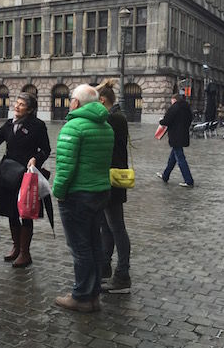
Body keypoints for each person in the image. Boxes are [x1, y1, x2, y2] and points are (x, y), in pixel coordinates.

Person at [52, 84, 114, 313]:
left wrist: (58, 192)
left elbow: (65, 168)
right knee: (94, 244)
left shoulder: (73, 127)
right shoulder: (106, 126)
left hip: (77, 195)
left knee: (80, 247)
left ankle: (81, 296)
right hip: (100, 192)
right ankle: (93, 294)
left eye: (71, 99)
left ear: (76, 103)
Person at [0, 92, 50, 268]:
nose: (17, 106)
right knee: (11, 212)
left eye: (22, 104)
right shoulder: (9, 124)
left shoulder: (38, 125)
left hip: (26, 176)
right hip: (8, 174)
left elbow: (46, 149)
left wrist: (36, 159)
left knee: (25, 212)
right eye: (16, 103)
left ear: (30, 109)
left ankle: (25, 252)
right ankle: (16, 247)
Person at [95, 80, 131, 293]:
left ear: (101, 101)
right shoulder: (114, 117)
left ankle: (123, 274)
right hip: (105, 179)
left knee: (117, 228)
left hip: (113, 180)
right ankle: (105, 267)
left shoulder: (114, 118)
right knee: (106, 227)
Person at [156, 94, 194, 187]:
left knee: (180, 158)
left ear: (174, 99)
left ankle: (188, 180)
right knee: (173, 158)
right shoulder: (186, 108)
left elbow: (167, 120)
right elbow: (190, 119)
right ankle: (165, 176)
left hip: (175, 136)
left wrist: (161, 121)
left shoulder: (175, 107)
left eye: (171, 100)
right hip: (183, 134)